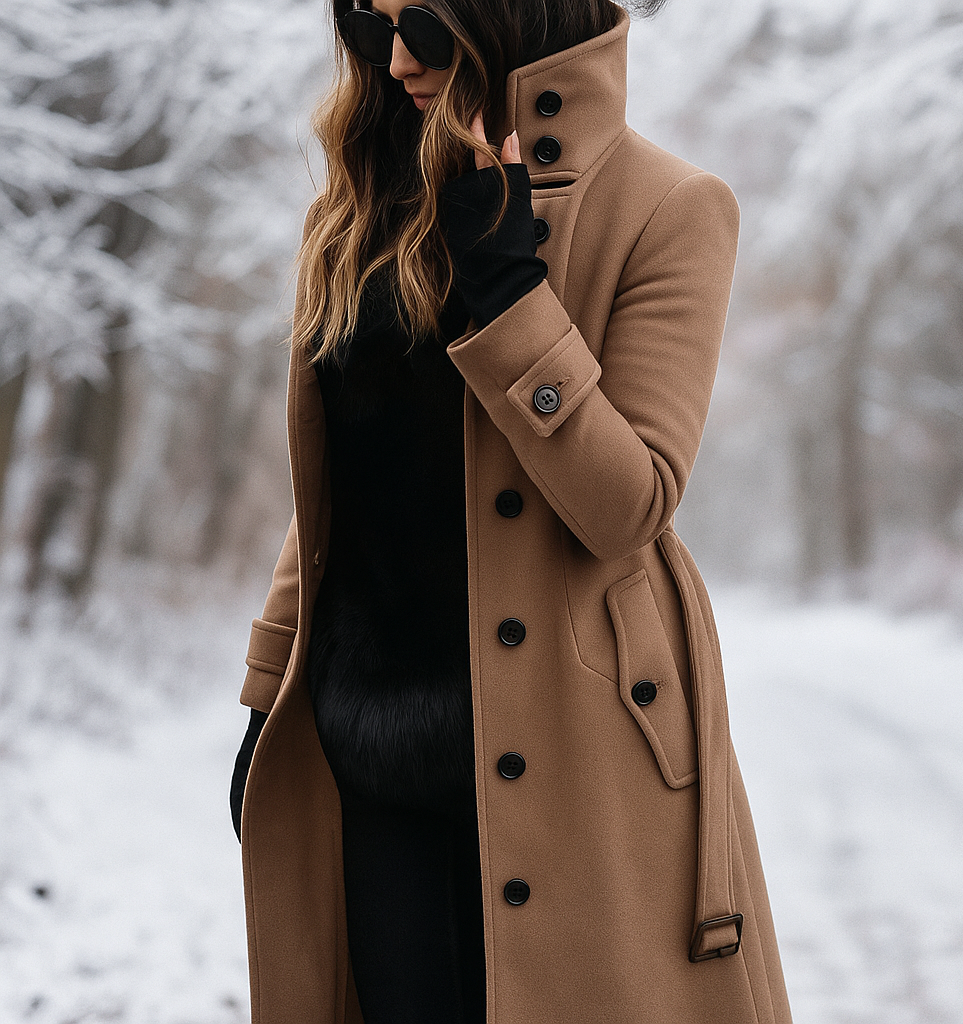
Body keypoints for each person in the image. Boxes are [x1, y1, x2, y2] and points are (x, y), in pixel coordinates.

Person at [230, 1, 791, 1022]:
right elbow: (339, 483)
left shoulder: (668, 206)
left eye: (426, 31)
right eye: (368, 25)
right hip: (370, 752)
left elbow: (629, 505)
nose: (396, 61)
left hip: (577, 755)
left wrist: (508, 293)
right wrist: (271, 688)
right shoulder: (358, 209)